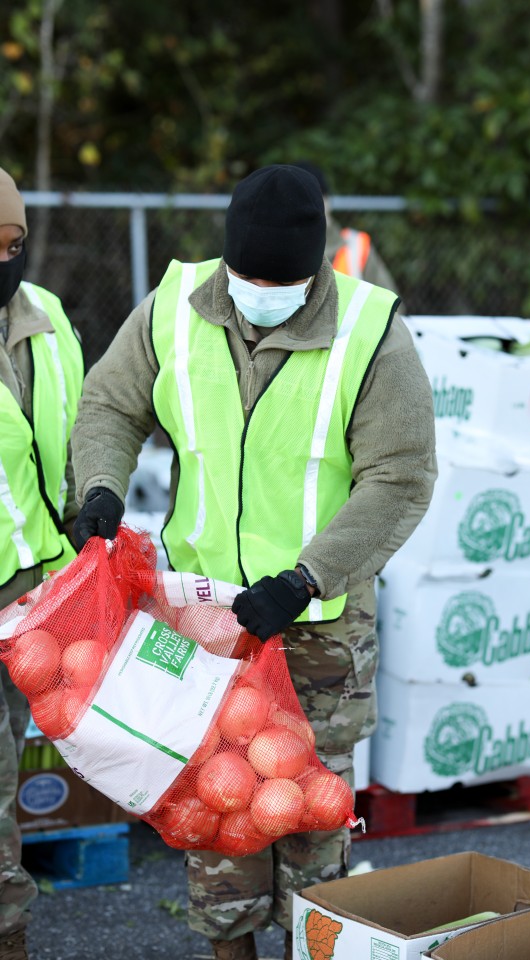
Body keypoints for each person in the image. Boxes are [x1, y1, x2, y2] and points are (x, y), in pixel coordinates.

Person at [70, 164, 437, 960]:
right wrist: (99, 488)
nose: (260, 290)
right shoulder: (173, 307)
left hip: (317, 632)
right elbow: (110, 402)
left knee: (309, 827)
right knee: (218, 812)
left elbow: (401, 475)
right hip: (205, 624)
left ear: (317, 269)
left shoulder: (372, 332)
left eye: (282, 280)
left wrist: (306, 579)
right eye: (247, 275)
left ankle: (318, 947)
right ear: (225, 256)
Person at [0, 168, 83, 960]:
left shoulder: (46, 318)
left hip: (36, 593)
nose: (3, 258)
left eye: (13, 243)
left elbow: (81, 426)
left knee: (9, 779)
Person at [293, 161, 400, 295]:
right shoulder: (275, 251)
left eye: (314, 198)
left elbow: (391, 305)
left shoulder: (357, 247)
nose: (308, 209)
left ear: (327, 200)